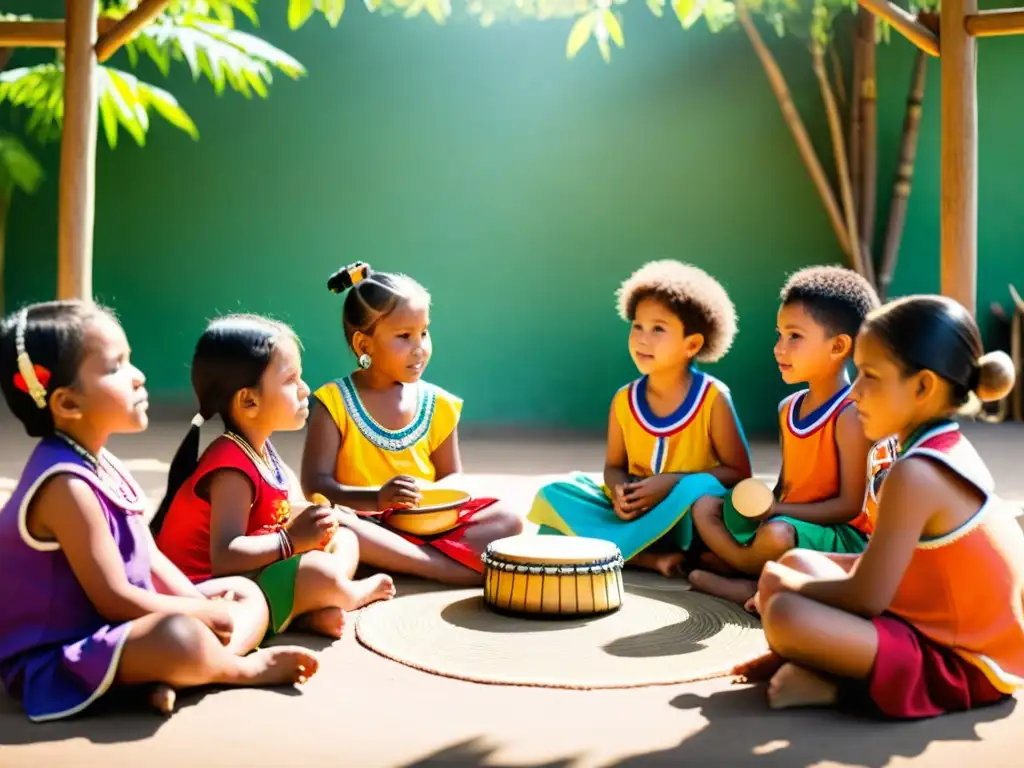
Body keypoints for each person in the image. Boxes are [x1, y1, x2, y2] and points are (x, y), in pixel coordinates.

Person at [0, 301, 317, 722]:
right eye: (116, 367)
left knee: (245, 593)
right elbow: (114, 599)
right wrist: (199, 613)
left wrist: (198, 600)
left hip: (123, 627)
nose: (138, 376)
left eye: (130, 360)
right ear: (68, 403)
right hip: (67, 650)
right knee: (178, 634)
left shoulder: (102, 461)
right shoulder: (66, 485)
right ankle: (234, 667)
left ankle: (176, 672)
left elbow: (150, 557)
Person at [744, 294, 1024, 719]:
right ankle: (829, 666)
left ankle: (843, 685)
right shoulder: (938, 445)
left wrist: (786, 588)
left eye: (869, 376)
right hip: (923, 614)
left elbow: (866, 597)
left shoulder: (916, 474)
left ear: (923, 386)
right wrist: (792, 574)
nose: (854, 393)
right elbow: (890, 567)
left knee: (785, 610)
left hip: (962, 660)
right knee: (798, 560)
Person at [154, 314, 395, 641]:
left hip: (256, 568)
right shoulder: (230, 468)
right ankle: (346, 595)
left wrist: (318, 520)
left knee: (345, 538)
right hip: (211, 589)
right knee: (317, 571)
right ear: (249, 400)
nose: (304, 389)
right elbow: (225, 557)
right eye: (290, 380)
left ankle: (303, 610)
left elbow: (283, 509)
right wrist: (292, 541)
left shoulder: (261, 448)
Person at [301, 263, 523, 586]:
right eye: (404, 336)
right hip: (366, 523)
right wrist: (378, 499)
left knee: (509, 519)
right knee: (333, 523)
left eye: (424, 332)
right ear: (365, 346)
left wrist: (430, 501)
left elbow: (452, 476)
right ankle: (442, 568)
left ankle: (405, 562)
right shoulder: (334, 402)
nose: (419, 347)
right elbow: (316, 486)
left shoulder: (439, 404)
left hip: (427, 525)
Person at [528, 260, 752, 576]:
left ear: (693, 344)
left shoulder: (713, 398)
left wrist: (671, 483)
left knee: (699, 486)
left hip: (683, 517)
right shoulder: (624, 400)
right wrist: (620, 492)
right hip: (634, 514)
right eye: (637, 326)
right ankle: (649, 559)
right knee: (555, 491)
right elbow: (614, 467)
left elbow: (740, 473)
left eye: (658, 329)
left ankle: (609, 550)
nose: (642, 338)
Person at [689, 266, 891, 604]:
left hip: (838, 535)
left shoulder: (850, 415)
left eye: (794, 336)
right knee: (706, 506)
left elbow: (848, 506)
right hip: (788, 518)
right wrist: (759, 505)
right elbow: (786, 485)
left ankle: (751, 578)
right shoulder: (789, 407)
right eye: (779, 335)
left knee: (776, 534)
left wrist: (776, 512)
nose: (779, 348)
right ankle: (756, 569)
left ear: (838, 346)